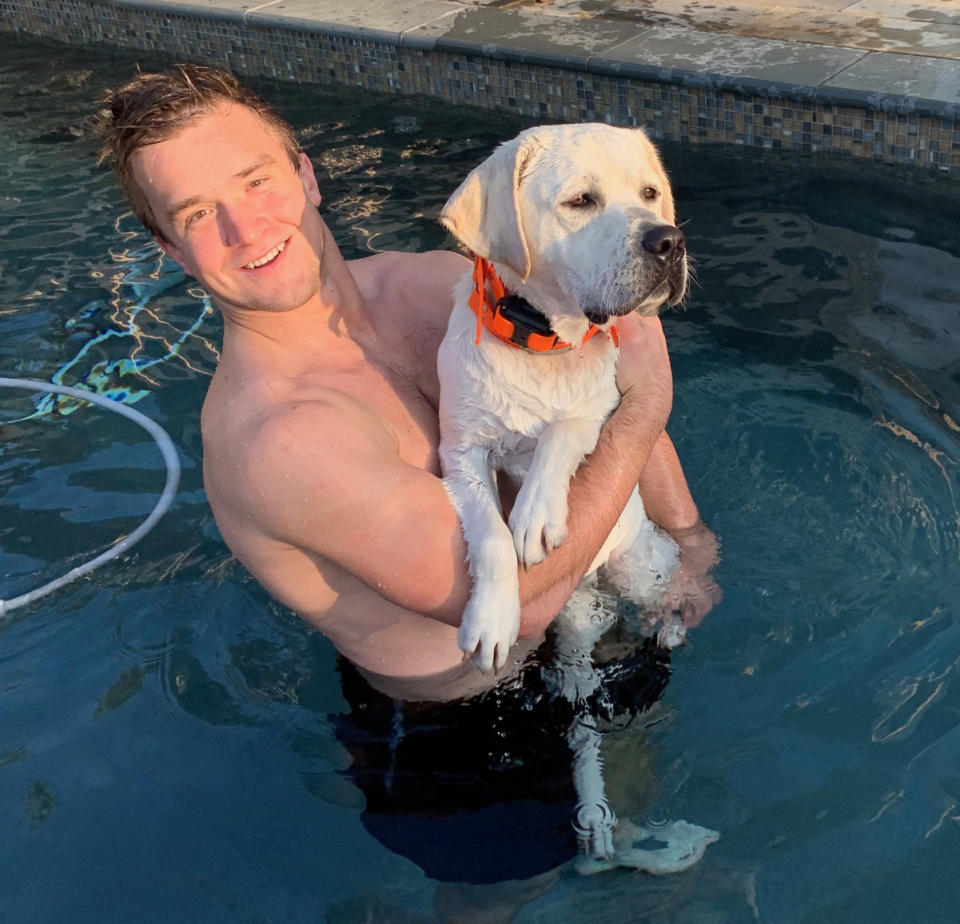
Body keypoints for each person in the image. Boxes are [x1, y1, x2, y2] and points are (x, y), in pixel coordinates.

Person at [91, 64, 718, 702]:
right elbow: (520, 605)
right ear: (168, 248)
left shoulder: (434, 283)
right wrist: (647, 407)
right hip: (474, 730)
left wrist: (690, 543)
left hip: (595, 587)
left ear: (305, 175)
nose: (246, 229)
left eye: (256, 182)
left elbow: (606, 386)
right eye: (197, 215)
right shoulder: (278, 437)